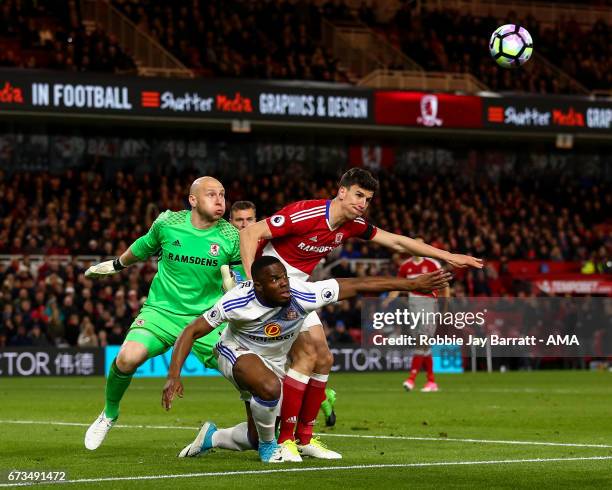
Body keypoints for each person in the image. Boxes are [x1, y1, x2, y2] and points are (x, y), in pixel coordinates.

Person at [235, 168, 482, 455]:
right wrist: (254, 283)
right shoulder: (306, 213)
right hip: (274, 286)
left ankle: (303, 439)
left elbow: (397, 241)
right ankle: (286, 441)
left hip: (299, 288)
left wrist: (448, 256)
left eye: (367, 199)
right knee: (307, 355)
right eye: (358, 195)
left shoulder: (352, 225)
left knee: (324, 359)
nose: (363, 203)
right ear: (342, 192)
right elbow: (251, 233)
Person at [162, 256, 452, 463]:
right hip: (235, 350)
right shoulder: (237, 301)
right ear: (258, 287)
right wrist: (174, 374)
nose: (284, 285)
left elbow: (359, 284)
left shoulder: (302, 294)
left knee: (252, 432)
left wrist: (412, 283)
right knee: (270, 391)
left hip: (274, 360)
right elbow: (191, 330)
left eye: (284, 278)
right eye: (275, 280)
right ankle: (269, 448)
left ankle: (213, 437)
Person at [84, 176, 241, 450]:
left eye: (223, 195)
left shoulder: (230, 237)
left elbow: (243, 272)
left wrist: (237, 282)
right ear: (193, 200)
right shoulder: (168, 224)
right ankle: (109, 413)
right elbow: (142, 248)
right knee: (126, 358)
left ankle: (276, 434)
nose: (220, 200)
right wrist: (116, 265)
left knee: (246, 375)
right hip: (162, 312)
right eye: (211, 194)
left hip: (207, 319)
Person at [383, 239, 450, 392]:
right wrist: (388, 299)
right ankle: (431, 381)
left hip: (429, 305)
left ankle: (411, 379)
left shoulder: (433, 264)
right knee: (424, 346)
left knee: (422, 342)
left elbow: (445, 285)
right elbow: (397, 287)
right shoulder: (406, 266)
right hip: (413, 307)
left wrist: (445, 306)